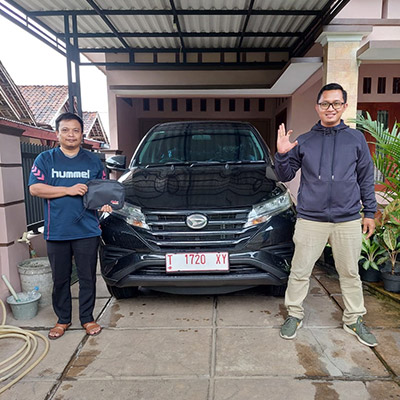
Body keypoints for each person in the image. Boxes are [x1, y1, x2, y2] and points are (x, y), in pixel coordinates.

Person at [274, 83, 378, 347]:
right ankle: (294, 314)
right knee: (300, 271)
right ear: (317, 107)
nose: (330, 108)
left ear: (344, 106)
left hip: (347, 219)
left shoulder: (355, 139)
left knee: (350, 273)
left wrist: (370, 212)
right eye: (325, 103)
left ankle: (354, 319)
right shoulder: (305, 140)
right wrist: (282, 154)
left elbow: (366, 177)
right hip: (311, 219)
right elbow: (285, 175)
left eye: (336, 103)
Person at [29, 112, 112, 340]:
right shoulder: (45, 159)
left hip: (87, 230)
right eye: (65, 130)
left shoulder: (93, 161)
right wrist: (68, 189)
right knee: (60, 279)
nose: (71, 135)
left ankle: (87, 318)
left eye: (75, 130)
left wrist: (106, 203)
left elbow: (102, 189)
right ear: (57, 134)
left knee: (87, 278)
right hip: (57, 230)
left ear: (82, 134)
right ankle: (63, 319)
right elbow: (35, 189)